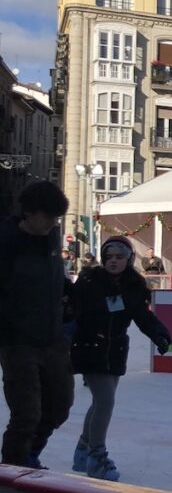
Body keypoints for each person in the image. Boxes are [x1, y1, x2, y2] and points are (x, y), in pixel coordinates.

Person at [70, 235, 171, 481]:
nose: (113, 261)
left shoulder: (133, 287)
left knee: (100, 402)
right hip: (91, 347)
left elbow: (142, 317)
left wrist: (159, 334)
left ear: (129, 259)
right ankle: (97, 456)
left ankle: (82, 451)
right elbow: (71, 312)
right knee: (105, 401)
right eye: (109, 257)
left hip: (115, 350)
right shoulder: (89, 282)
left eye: (119, 257)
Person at [0, 181, 75, 468]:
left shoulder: (51, 237)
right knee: (26, 414)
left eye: (58, 217)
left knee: (59, 407)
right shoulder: (6, 243)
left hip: (53, 338)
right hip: (17, 341)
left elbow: (55, 277)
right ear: (28, 213)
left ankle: (29, 453)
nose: (54, 223)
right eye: (49, 217)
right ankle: (12, 471)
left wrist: (69, 293)